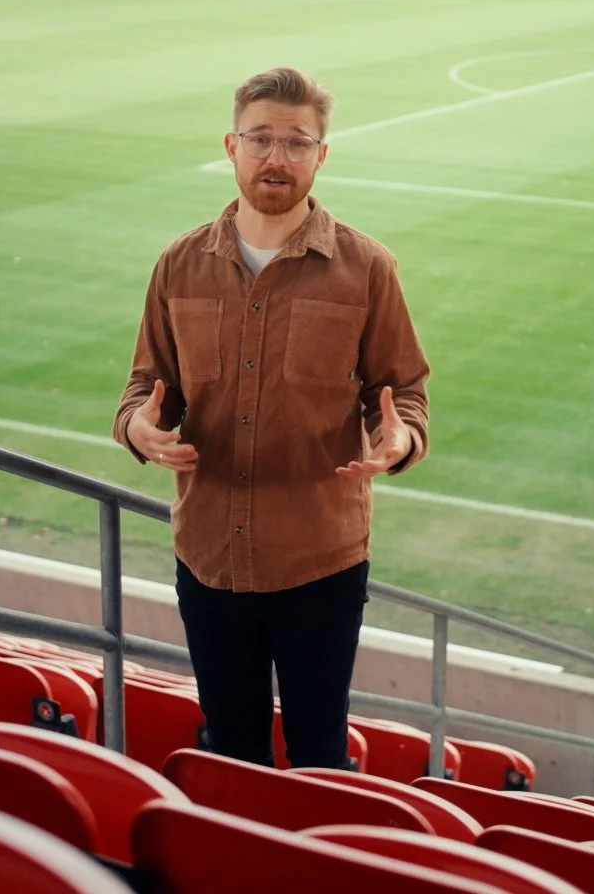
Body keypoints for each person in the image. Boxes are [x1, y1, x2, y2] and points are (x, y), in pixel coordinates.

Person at [114, 66, 430, 769]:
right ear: (231, 146)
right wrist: (138, 426)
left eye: (297, 142)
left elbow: (404, 390)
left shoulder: (367, 268)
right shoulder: (179, 265)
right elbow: (145, 383)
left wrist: (398, 436)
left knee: (320, 752)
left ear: (322, 155)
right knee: (232, 749)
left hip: (319, 562)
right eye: (261, 138)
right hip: (210, 558)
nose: (276, 157)